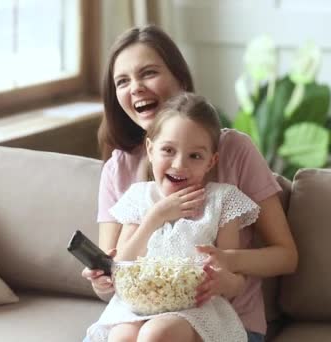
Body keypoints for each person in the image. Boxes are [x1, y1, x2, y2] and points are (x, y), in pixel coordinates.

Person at [82, 25, 298, 342]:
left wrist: (225, 263)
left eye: (148, 73)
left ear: (180, 79)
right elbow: (117, 273)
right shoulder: (120, 170)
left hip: (222, 319)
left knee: (157, 336)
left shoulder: (233, 152)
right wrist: (102, 280)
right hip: (135, 316)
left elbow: (286, 256)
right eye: (123, 81)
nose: (136, 88)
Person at [86, 92, 259, 342]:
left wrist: (224, 283)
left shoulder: (222, 201)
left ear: (211, 162)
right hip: (137, 308)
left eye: (195, 156)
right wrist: (155, 217)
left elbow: (233, 278)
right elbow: (121, 266)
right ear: (150, 149)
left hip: (196, 311)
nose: (179, 164)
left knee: (156, 334)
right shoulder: (138, 198)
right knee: (120, 337)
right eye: (168, 150)